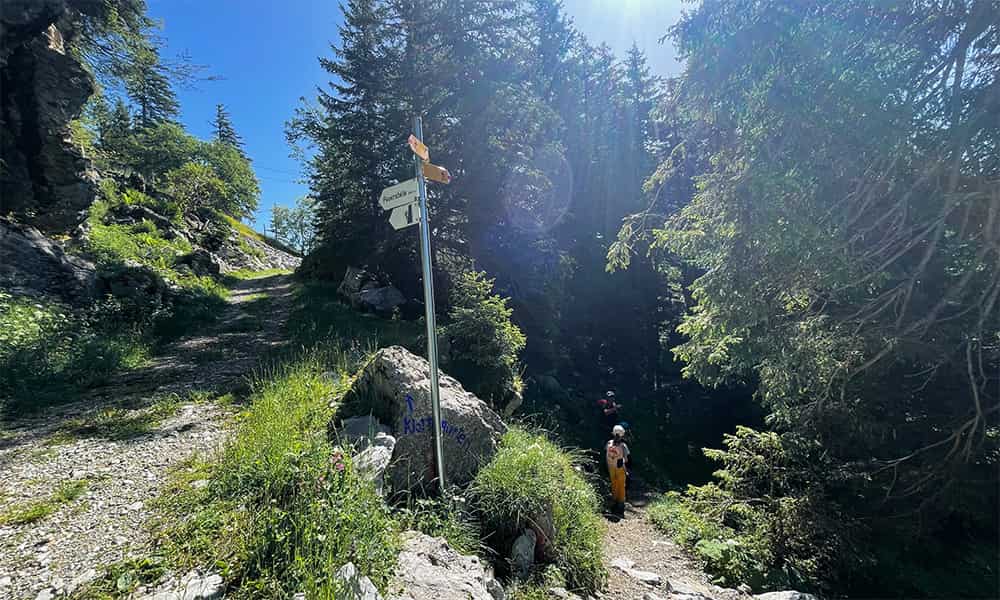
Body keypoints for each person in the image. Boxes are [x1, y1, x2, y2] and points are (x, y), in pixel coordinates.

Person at [605, 424, 630, 513]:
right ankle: (620, 504)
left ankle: (613, 501)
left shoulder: (608, 443)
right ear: (622, 434)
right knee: (621, 486)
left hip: (611, 467)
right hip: (620, 468)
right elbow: (626, 460)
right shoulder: (623, 446)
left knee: (614, 484)